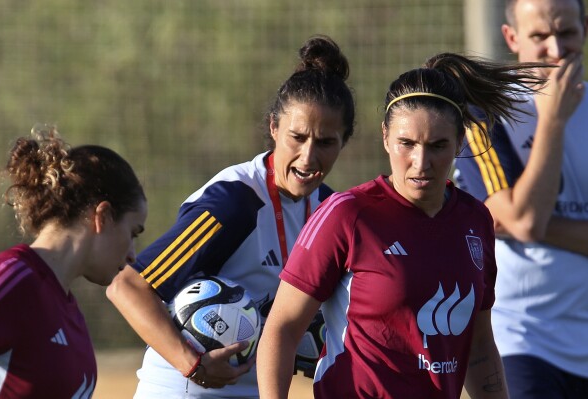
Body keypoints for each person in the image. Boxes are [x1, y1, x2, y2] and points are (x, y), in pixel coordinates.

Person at [256, 53, 548, 399]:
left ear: (459, 142)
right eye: (406, 143)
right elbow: (282, 328)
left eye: (437, 146)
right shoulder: (347, 215)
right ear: (385, 137)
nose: (420, 162)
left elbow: (480, 347)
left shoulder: (475, 220)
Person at [106, 34, 355, 399]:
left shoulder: (331, 211)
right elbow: (126, 286)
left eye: (326, 142)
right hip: (184, 390)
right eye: (296, 137)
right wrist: (194, 364)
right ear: (273, 128)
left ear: (344, 142)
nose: (307, 157)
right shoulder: (235, 202)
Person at [453, 0, 588, 397]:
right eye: (540, 36)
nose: (557, 49)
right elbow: (520, 221)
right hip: (522, 341)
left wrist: (525, 222)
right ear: (511, 38)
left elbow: (521, 221)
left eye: (566, 33)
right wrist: (554, 120)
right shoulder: (485, 112)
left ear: (585, 29)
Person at [0, 125, 147, 398]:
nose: (133, 253)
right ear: (104, 216)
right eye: (133, 233)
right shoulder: (15, 279)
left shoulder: (71, 315)